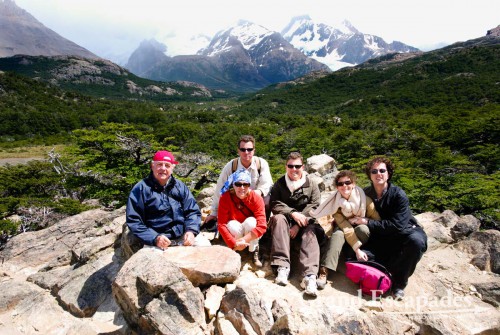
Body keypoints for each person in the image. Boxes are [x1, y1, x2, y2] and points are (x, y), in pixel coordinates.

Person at [349, 156, 427, 300]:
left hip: (404, 233)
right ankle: (386, 272)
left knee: (416, 242)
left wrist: (368, 222)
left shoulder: (398, 195)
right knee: (356, 257)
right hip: (381, 236)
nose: (378, 174)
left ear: (388, 173)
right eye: (374, 171)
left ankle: (399, 284)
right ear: (369, 175)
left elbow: (398, 226)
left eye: (382, 170)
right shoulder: (365, 194)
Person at [204, 135, 273, 262]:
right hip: (235, 202)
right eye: (243, 149)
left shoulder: (261, 164)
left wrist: (253, 194)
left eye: (249, 149)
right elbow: (220, 189)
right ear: (238, 150)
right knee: (232, 225)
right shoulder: (231, 166)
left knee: (265, 204)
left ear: (254, 150)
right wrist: (214, 212)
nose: (246, 152)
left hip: (254, 198)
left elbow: (266, 185)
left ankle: (255, 246)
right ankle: (237, 245)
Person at [310, 170, 380, 289]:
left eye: (347, 182)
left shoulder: (365, 200)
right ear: (337, 187)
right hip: (344, 228)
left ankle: (349, 252)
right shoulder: (335, 204)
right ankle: (324, 271)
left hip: (361, 227)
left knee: (363, 229)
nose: (344, 186)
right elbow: (346, 227)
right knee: (337, 235)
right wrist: (357, 249)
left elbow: (377, 221)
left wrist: (362, 220)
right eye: (340, 184)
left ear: (353, 183)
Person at [268, 151, 326, 297]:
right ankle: (282, 267)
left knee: (310, 232)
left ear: (303, 167)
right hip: (287, 220)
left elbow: (315, 205)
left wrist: (298, 224)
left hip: (306, 222)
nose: (294, 169)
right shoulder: (280, 184)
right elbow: (275, 204)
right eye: (291, 166)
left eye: (297, 166)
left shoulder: (311, 184)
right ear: (286, 166)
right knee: (278, 219)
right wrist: (293, 213)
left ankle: (309, 276)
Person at [126, 150, 210, 250]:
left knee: (206, 248)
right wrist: (155, 238)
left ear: (172, 168)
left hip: (183, 236)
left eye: (167, 165)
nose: (163, 168)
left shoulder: (180, 186)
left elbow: (192, 211)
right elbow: (134, 220)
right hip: (156, 240)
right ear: (152, 166)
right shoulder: (141, 188)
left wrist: (191, 231)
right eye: (159, 164)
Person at [217, 169, 267, 266]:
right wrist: (233, 243)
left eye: (246, 184)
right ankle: (238, 249)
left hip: (249, 229)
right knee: (232, 225)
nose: (242, 187)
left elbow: (262, 225)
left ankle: (253, 251)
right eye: (238, 184)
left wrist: (244, 240)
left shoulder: (256, 198)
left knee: (251, 222)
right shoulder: (225, 197)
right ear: (233, 184)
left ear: (249, 185)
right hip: (236, 229)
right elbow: (221, 224)